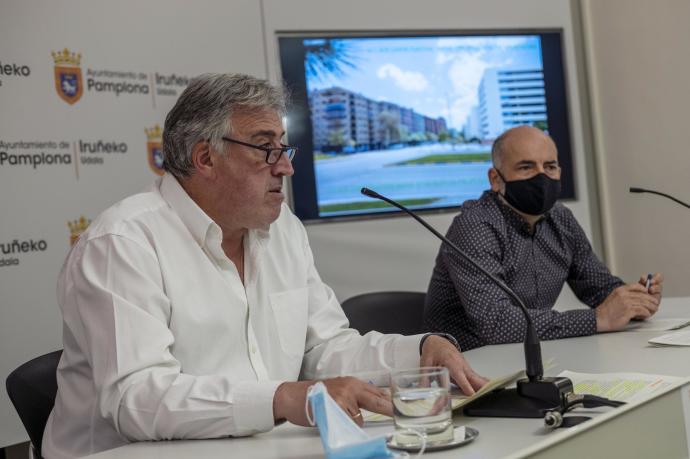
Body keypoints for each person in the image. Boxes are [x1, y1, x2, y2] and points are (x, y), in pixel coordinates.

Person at [42, 73, 487, 459]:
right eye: (264, 149)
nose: (285, 169)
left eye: (283, 148)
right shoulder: (123, 242)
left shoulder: (282, 230)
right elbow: (135, 400)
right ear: (205, 158)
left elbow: (323, 349)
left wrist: (419, 351)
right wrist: (282, 398)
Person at [424, 125, 663, 351]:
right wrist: (598, 319)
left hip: (534, 355)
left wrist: (633, 301)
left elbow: (597, 285)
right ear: (495, 179)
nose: (542, 177)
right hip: (469, 366)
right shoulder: (474, 226)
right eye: (526, 167)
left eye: (550, 167)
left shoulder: (559, 217)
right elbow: (495, 324)